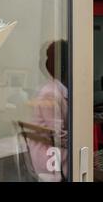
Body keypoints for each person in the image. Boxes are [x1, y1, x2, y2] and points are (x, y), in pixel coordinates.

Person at [27, 40, 68, 181]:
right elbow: (57, 136)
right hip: (49, 158)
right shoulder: (50, 93)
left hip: (54, 152)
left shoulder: (58, 89)